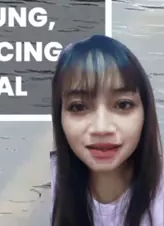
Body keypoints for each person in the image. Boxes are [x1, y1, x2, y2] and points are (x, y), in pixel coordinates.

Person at [50, 34, 164, 225]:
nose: (101, 128)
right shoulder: (57, 175)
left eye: (123, 105)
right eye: (78, 107)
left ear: (145, 112)